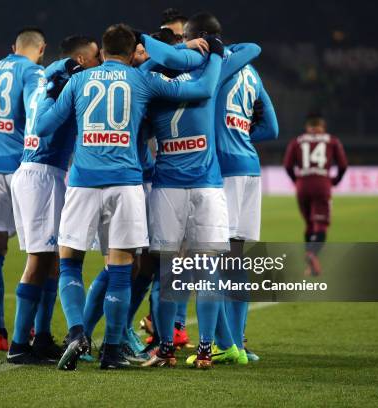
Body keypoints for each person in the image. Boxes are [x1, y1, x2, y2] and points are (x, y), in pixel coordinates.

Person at [33, 23, 222, 370]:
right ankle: (112, 351)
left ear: (102, 52)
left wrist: (50, 89)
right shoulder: (142, 80)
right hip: (126, 183)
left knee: (70, 263)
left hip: (84, 181)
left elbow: (42, 128)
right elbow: (196, 89)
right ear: (131, 51)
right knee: (122, 271)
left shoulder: (78, 81)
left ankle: (77, 332)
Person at [137, 13, 261, 369]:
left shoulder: (154, 83)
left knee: (170, 274)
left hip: (167, 189)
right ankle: (206, 349)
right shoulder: (212, 71)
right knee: (208, 270)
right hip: (207, 187)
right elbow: (252, 49)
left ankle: (165, 348)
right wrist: (216, 51)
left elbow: (141, 71)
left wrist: (170, 52)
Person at [7, 36, 100, 365]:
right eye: (94, 57)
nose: (98, 63)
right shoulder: (64, 77)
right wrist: (72, 68)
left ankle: (42, 337)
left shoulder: (48, 78)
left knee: (52, 262)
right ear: (79, 58)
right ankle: (19, 344)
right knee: (38, 261)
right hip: (42, 174)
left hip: (42, 173)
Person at [205, 10, 279, 365]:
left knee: (212, 260)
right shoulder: (252, 72)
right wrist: (242, 136)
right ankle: (241, 343)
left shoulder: (214, 68)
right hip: (250, 168)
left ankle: (226, 344)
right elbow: (272, 129)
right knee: (237, 260)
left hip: (221, 170)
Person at [0, 27, 46, 352]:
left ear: (12, 46)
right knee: (41, 253)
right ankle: (30, 332)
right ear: (40, 49)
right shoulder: (33, 72)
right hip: (22, 170)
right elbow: (36, 115)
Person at [283, 113, 348, 276]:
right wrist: (335, 181)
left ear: (307, 128)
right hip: (321, 183)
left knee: (309, 225)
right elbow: (343, 165)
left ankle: (310, 265)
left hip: (302, 185)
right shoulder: (332, 141)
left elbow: (287, 165)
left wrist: (296, 181)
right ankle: (312, 254)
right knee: (321, 225)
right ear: (322, 127)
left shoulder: (296, 141)